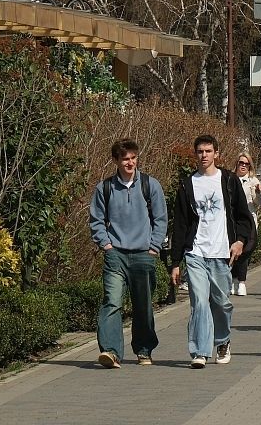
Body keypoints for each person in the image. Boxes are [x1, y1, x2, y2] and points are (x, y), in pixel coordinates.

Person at [169, 134, 254, 369]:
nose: (204, 155)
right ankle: (199, 351)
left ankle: (223, 340)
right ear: (195, 154)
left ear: (217, 153)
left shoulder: (228, 180)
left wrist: (240, 241)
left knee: (221, 303)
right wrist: (176, 261)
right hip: (195, 251)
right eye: (200, 151)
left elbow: (243, 217)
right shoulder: (188, 185)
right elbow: (180, 224)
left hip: (221, 253)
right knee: (199, 302)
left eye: (208, 151)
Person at [89, 138, 168, 368]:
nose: (130, 162)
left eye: (133, 158)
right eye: (125, 159)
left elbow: (161, 219)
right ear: (116, 161)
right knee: (112, 302)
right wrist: (107, 246)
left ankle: (144, 350)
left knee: (142, 305)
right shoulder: (105, 188)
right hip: (116, 255)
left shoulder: (150, 185)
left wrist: (153, 247)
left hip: (144, 254)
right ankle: (111, 352)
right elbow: (96, 220)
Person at [231, 153, 261, 296]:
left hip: (249, 220)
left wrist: (258, 193)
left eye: (246, 164)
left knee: (246, 250)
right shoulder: (230, 179)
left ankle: (242, 281)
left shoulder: (253, 181)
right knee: (233, 249)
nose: (243, 166)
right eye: (241, 163)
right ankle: (233, 280)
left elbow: (259, 203)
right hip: (233, 219)